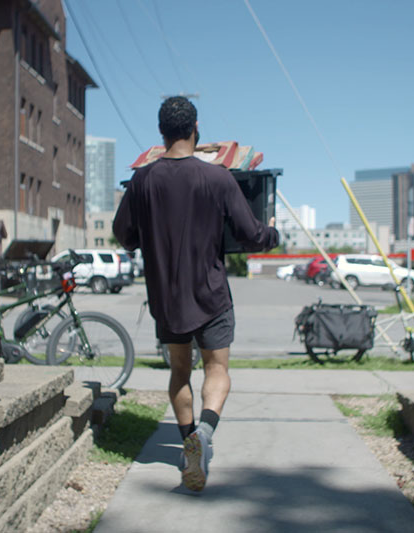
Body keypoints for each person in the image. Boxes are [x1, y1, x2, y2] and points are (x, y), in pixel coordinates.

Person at [112, 96, 279, 491]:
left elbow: (123, 235)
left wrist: (144, 238)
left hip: (167, 299)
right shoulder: (218, 177)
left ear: (161, 133)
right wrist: (272, 231)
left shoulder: (142, 181)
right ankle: (203, 434)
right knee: (217, 370)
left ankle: (187, 438)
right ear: (195, 128)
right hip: (211, 296)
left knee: (180, 372)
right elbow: (251, 234)